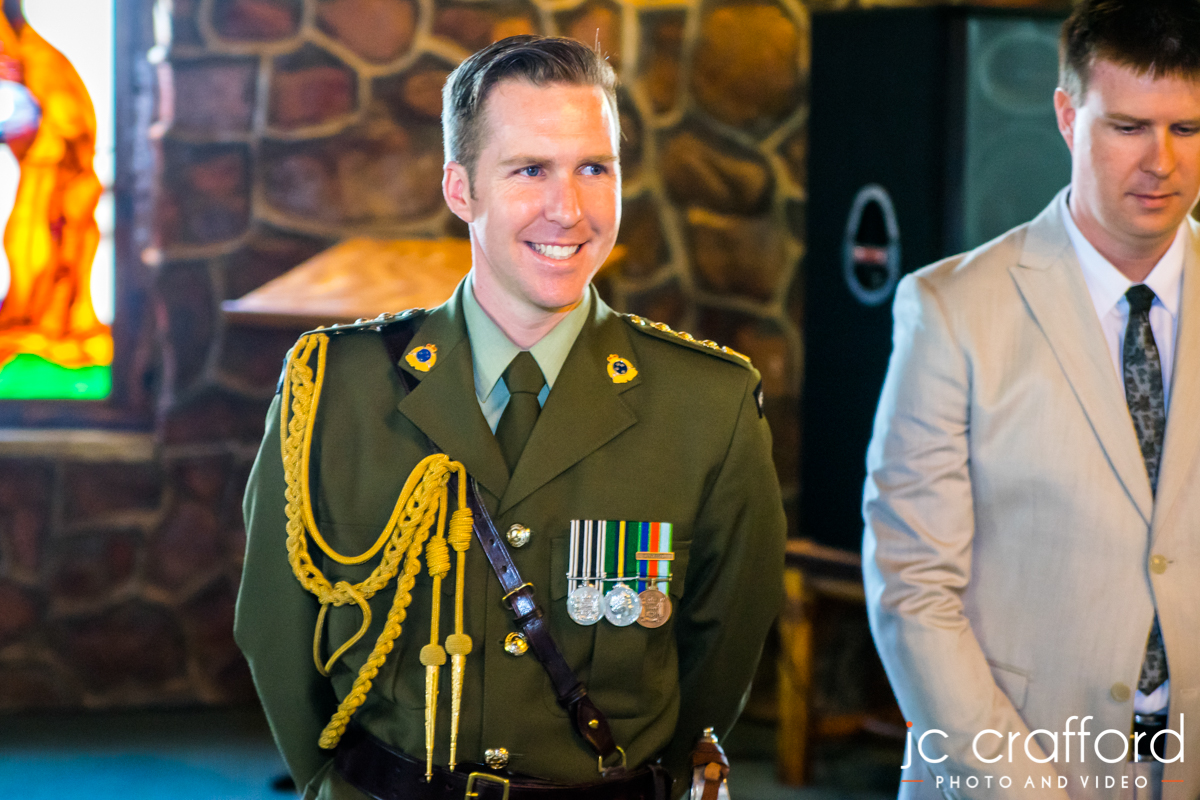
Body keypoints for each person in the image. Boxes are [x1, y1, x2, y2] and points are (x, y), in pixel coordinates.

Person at [235, 35, 786, 800]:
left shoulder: (707, 406)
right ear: (461, 190)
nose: (569, 209)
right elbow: (275, 633)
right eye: (530, 170)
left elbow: (719, 659)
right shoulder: (336, 390)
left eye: (594, 168)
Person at [862, 0, 1200, 797]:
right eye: (1128, 127)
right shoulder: (949, 310)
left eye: (1186, 128)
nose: (1160, 162)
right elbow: (913, 590)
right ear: (1066, 115)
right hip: (1008, 773)